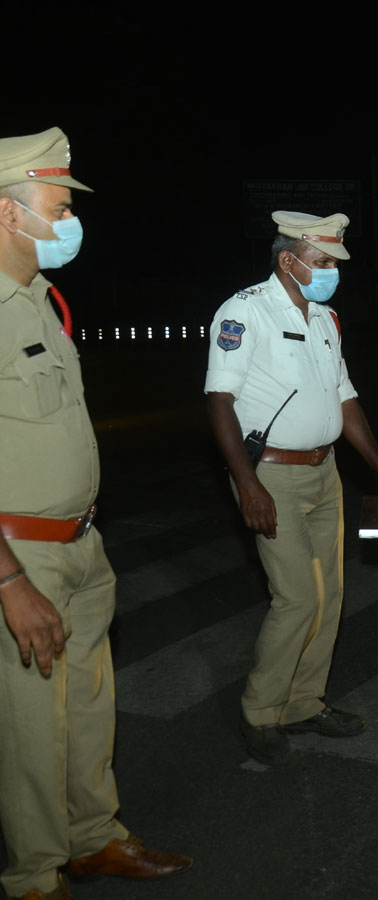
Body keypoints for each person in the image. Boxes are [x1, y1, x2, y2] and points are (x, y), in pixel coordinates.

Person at [0, 128, 191, 900]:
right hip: (21, 555)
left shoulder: (42, 301)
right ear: (9, 215)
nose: (71, 222)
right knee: (29, 729)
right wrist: (9, 581)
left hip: (79, 544)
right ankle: (34, 875)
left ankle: (91, 839)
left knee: (85, 707)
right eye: (56, 205)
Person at [205, 210, 378, 765]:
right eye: (322, 261)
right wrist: (247, 485)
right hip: (270, 475)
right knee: (296, 597)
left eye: (335, 261)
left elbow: (345, 398)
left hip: (324, 472)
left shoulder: (326, 319)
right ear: (288, 260)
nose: (332, 271)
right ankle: (260, 710)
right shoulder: (244, 312)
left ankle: (303, 702)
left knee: (330, 595)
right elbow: (220, 401)